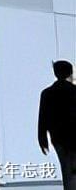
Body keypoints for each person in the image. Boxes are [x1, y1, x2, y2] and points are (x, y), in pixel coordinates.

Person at [39, 60, 76, 190]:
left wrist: (42, 139)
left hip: (58, 138)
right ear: (70, 73)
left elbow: (42, 118)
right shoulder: (74, 91)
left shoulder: (47, 93)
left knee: (66, 168)